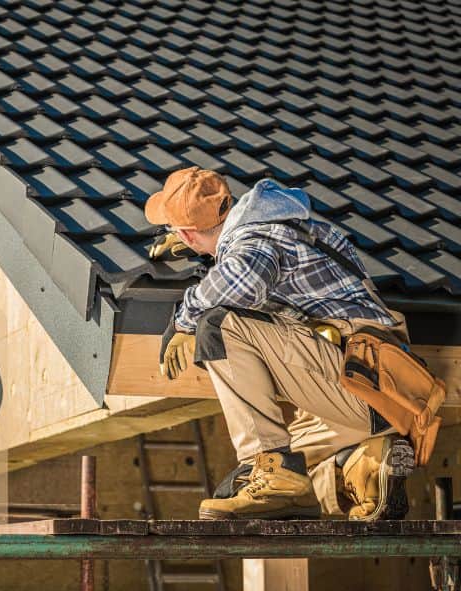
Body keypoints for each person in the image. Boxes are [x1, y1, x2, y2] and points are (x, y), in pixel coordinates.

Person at [145, 166, 415, 520]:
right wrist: (207, 249)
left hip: (361, 379)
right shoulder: (281, 227)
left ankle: (272, 471)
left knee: (218, 325)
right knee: (284, 478)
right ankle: (364, 466)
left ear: (189, 234)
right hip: (379, 395)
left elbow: (245, 278)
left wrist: (184, 319)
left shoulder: (255, 238)